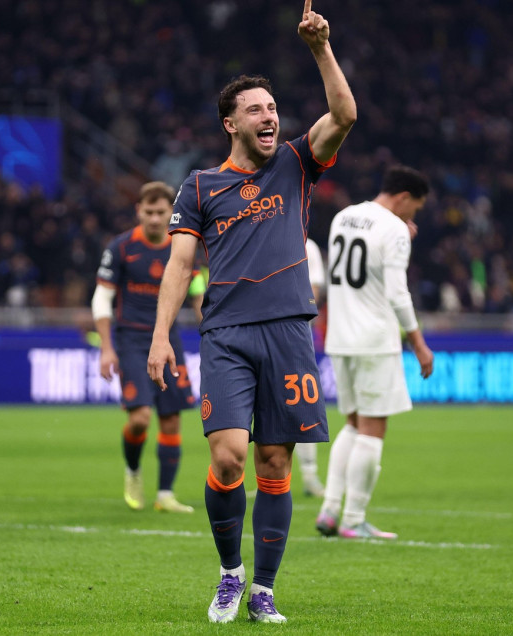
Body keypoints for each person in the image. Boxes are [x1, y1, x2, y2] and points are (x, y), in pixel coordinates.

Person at [147, 0, 356, 623]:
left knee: (273, 461)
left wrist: (320, 48)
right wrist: (161, 337)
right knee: (229, 454)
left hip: (291, 329)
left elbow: (344, 114)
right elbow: (180, 266)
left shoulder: (297, 162)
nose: (270, 117)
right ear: (230, 125)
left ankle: (263, 588)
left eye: (272, 108)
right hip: (228, 334)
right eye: (256, 111)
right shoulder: (201, 186)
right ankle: (230, 574)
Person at [315, 165, 435, 540]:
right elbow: (398, 293)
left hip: (340, 336)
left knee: (351, 423)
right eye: (414, 208)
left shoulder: (345, 216)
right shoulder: (395, 229)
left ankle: (330, 510)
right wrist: (418, 342)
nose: (413, 217)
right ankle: (353, 519)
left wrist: (402, 233)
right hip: (374, 339)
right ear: (403, 198)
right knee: (372, 428)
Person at [92, 181, 204, 514]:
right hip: (132, 341)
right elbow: (102, 298)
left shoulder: (182, 246)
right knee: (140, 418)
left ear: (172, 212)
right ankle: (133, 469)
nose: (155, 219)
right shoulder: (121, 247)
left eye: (161, 212)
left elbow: (197, 290)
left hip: (169, 340)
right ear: (138, 210)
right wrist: (106, 348)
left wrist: (210, 326)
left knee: (170, 419)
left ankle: (165, 494)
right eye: (149, 212)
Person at [295, 237, 326, 498]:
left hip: (296, 334)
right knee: (262, 404)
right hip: (259, 332)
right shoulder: (258, 233)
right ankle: (263, 477)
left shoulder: (308, 245)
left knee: (304, 401)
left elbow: (315, 288)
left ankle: (309, 476)